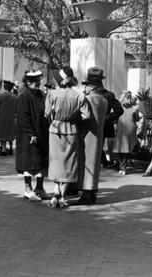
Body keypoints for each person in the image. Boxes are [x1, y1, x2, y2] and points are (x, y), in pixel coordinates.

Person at [45, 67, 90, 208]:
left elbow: (47, 114)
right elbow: (86, 116)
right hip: (71, 130)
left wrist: (54, 118)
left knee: (55, 161)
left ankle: (55, 193)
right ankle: (63, 195)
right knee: (68, 163)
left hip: (55, 129)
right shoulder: (79, 96)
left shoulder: (52, 94)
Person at [74, 71, 108, 205]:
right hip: (98, 135)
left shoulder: (87, 99)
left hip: (86, 134)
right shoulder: (104, 100)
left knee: (86, 163)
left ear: (92, 86)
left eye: (87, 85)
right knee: (94, 163)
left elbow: (81, 116)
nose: (85, 88)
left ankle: (86, 193)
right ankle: (92, 191)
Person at [16, 70, 50, 202]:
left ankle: (40, 188)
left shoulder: (39, 94)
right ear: (28, 82)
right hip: (28, 137)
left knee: (41, 161)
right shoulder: (24, 96)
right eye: (34, 81)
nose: (37, 83)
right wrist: (31, 134)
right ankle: (28, 189)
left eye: (38, 81)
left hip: (41, 133)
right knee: (29, 162)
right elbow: (23, 117)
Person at [86, 67, 124, 168]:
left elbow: (119, 110)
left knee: (97, 146)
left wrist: (107, 119)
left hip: (102, 126)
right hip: (89, 126)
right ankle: (104, 162)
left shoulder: (108, 95)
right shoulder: (86, 95)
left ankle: (102, 163)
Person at [113, 90, 143, 175]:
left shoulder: (118, 107)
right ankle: (123, 167)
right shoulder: (134, 108)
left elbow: (115, 118)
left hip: (121, 128)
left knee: (119, 148)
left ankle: (122, 167)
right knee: (127, 148)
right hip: (130, 128)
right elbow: (136, 119)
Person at [0, 80, 17, 156]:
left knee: (2, 133)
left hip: (2, 117)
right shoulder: (15, 97)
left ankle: (3, 149)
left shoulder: (1, 96)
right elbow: (17, 108)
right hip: (11, 117)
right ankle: (10, 148)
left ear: (5, 87)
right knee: (10, 132)